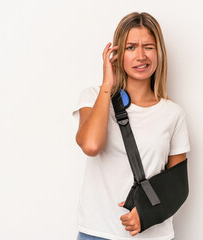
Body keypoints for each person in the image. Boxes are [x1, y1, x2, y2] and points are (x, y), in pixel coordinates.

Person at [73, 12, 190, 240]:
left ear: (158, 53)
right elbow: (91, 145)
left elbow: (178, 186)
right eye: (130, 47)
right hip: (98, 232)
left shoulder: (172, 113)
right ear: (117, 53)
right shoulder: (94, 97)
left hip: (154, 235)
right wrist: (108, 84)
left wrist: (147, 214)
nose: (140, 56)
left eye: (148, 46)